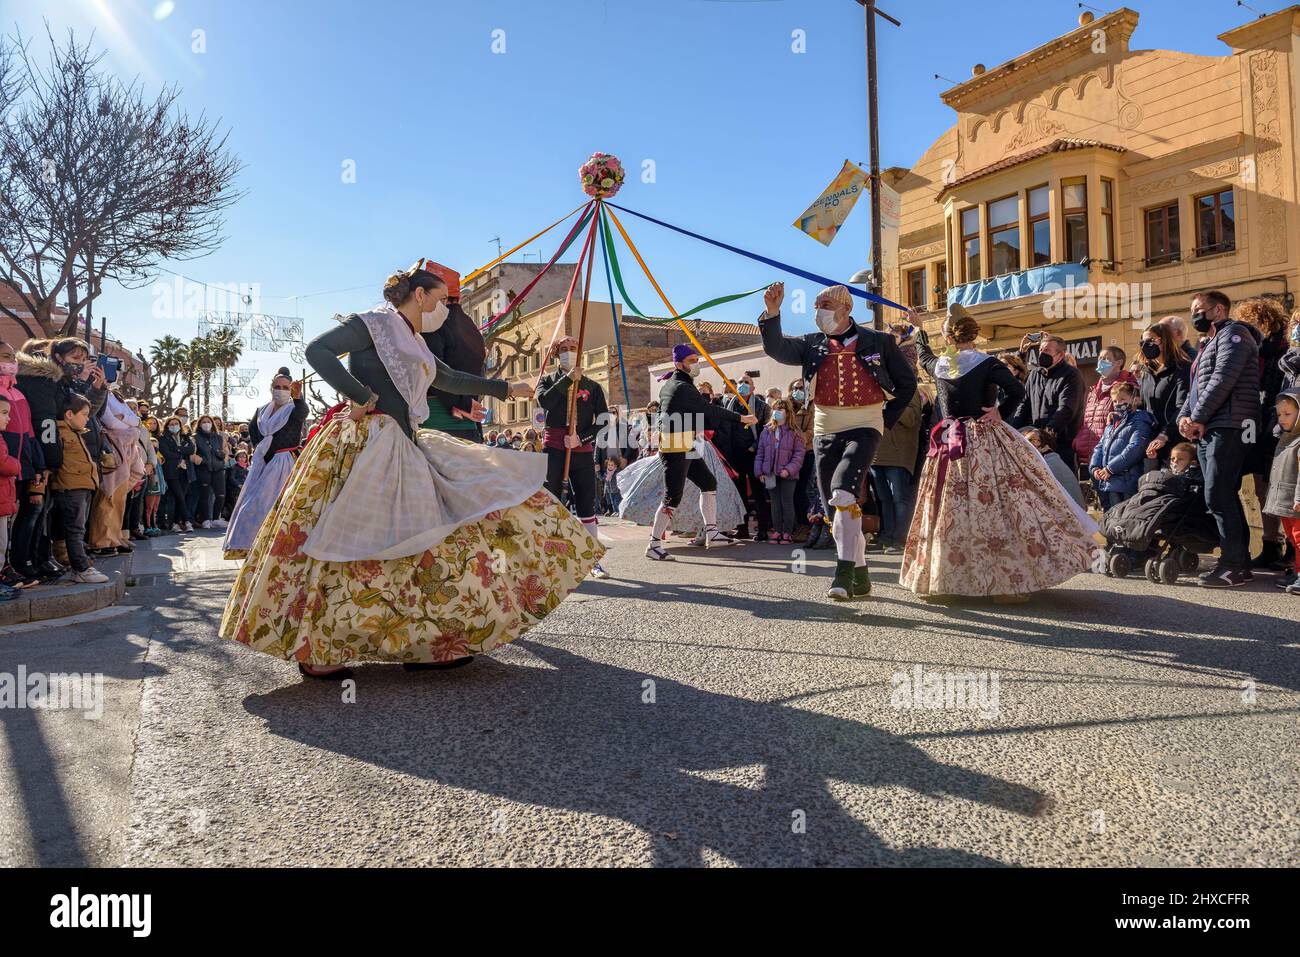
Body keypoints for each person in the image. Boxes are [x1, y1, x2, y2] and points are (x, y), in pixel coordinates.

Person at [220, 261, 598, 680]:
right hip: (367, 442)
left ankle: (425, 642)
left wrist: (507, 388)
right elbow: (317, 351)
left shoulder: (415, 339)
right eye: (439, 299)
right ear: (420, 295)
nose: (444, 308)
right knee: (352, 540)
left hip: (404, 441)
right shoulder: (374, 323)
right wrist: (360, 394)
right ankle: (321, 647)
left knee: (419, 540)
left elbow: (450, 379)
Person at [903, 308, 1096, 601]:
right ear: (973, 334)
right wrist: (999, 413)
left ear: (948, 337)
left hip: (949, 442)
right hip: (984, 439)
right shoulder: (988, 363)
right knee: (1001, 504)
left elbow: (924, 356)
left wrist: (918, 330)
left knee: (947, 508)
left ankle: (943, 579)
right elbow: (1017, 391)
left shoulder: (942, 364)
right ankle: (1007, 583)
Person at [758, 282, 917, 600]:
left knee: (845, 493)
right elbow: (776, 349)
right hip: (825, 428)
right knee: (837, 510)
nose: (819, 311)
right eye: (816, 305)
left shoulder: (880, 341)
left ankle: (842, 574)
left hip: (865, 425)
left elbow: (907, 384)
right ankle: (860, 572)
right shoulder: (811, 343)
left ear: (847, 309)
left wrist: (884, 419)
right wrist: (773, 313)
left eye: (826, 305)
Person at [1177, 289, 1261, 588]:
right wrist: (1185, 419)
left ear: (1218, 310)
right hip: (1210, 425)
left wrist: (1198, 417)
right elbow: (1195, 388)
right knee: (1222, 494)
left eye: (1199, 309)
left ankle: (1233, 565)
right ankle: (1239, 563)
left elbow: (1223, 378)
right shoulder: (1208, 343)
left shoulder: (1234, 334)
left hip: (1230, 425)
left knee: (1218, 494)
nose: (1195, 315)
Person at [646, 344, 756, 560]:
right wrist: (741, 418)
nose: (696, 365)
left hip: (683, 445)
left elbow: (670, 413)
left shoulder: (673, 384)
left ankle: (712, 532)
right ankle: (653, 544)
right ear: (679, 364)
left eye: (697, 360)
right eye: (691, 361)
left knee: (708, 483)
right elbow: (708, 409)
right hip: (675, 448)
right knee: (672, 498)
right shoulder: (681, 387)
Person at [537, 335, 611, 579]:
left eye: (573, 348)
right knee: (552, 503)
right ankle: (551, 558)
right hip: (554, 450)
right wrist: (567, 380)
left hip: (581, 451)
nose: (569, 352)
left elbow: (603, 421)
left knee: (587, 503)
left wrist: (582, 438)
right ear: (557, 354)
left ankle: (592, 560)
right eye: (564, 349)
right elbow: (544, 401)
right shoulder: (547, 381)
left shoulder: (592, 386)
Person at [222, 370, 308, 558]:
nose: (281, 390)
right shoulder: (261, 411)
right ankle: (253, 544)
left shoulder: (294, 408)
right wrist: (263, 451)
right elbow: (254, 432)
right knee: (254, 504)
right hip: (263, 462)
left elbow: (303, 413)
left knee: (278, 504)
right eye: (277, 387)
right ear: (271, 388)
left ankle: (282, 546)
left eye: (285, 387)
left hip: (285, 462)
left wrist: (299, 397)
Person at [1237, 297, 1290, 570]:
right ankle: (1270, 543)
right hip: (1258, 423)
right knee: (1261, 487)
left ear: (1266, 321)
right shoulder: (1254, 351)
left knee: (1283, 486)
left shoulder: (1284, 348)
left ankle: (1290, 547)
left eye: (1253, 322)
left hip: (1281, 422)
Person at [51, 395, 109, 584]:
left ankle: (80, 563)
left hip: (83, 484)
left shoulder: (75, 432)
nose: (87, 418)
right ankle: (81, 568)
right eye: (84, 414)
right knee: (74, 529)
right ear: (69, 414)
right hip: (70, 486)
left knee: (79, 528)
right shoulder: (60, 432)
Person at [1013, 332, 1085, 467]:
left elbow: (1066, 409)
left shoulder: (1071, 375)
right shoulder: (1034, 375)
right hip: (1034, 444)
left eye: (1047, 350)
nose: (1042, 353)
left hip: (1061, 444)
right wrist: (1013, 430)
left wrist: (1045, 434)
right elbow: (1024, 404)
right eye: (1040, 350)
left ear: (1060, 355)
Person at [88, 394, 146, 555]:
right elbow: (111, 422)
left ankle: (114, 536)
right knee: (108, 496)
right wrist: (128, 421)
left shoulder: (115, 395)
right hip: (112, 447)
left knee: (119, 499)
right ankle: (101, 540)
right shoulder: (102, 393)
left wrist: (126, 418)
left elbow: (137, 421)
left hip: (126, 447)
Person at [1088, 380, 1156, 510]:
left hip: (1128, 481)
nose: (1118, 404)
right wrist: (1095, 467)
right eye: (1114, 401)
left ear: (1135, 400)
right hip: (1110, 481)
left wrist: (1110, 468)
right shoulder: (1112, 423)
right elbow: (1100, 446)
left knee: (1126, 517)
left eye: (1122, 399)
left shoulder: (1140, 421)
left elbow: (1135, 448)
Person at [1135, 321, 1191, 471]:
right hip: (1150, 442)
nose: (1146, 345)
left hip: (1174, 441)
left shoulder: (1182, 367)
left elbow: (1183, 406)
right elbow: (1143, 405)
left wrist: (1165, 434)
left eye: (1151, 341)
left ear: (1164, 340)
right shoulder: (1146, 372)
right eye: (1143, 342)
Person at [721, 372, 770, 540]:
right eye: (740, 382)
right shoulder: (730, 404)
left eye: (746, 382)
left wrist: (754, 447)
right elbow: (726, 428)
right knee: (739, 492)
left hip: (754, 454)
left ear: (753, 387)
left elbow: (766, 431)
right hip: (735, 454)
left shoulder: (762, 406)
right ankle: (742, 528)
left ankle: (762, 529)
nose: (742, 384)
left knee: (758, 493)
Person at [1262, 389, 1300, 592]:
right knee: (1293, 539)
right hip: (1286, 501)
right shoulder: (1286, 438)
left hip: (1296, 501)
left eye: (1288, 414)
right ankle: (1296, 572)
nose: (1282, 419)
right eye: (1279, 415)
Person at [754, 397, 806, 544]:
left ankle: (787, 532)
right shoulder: (767, 431)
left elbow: (798, 455)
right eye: (775, 409)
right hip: (770, 473)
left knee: (787, 502)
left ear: (788, 412)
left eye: (781, 409)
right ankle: (777, 530)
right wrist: (760, 472)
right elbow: (760, 453)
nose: (777, 412)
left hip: (788, 474)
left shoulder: (795, 432)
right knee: (775, 503)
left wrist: (788, 470)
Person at [1074, 346, 1135, 469]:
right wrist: (1077, 442)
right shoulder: (1093, 391)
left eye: (1105, 358)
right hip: (1087, 458)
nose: (1101, 362)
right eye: (1100, 358)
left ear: (1119, 363)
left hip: (1111, 459)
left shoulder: (1128, 388)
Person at [1022, 427, 1085, 508]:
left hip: (1071, 511)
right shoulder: (1048, 458)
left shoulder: (1050, 462)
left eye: (1031, 440)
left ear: (1042, 443)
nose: (1026, 444)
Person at [787, 376, 816, 538]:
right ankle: (794, 525)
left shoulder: (813, 407)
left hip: (806, 453)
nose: (798, 391)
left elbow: (812, 431)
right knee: (791, 492)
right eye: (795, 388)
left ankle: (806, 526)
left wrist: (795, 440)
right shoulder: (786, 408)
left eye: (801, 388)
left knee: (803, 491)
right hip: (788, 455)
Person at [159, 415, 195, 532]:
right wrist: (180, 455)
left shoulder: (185, 437)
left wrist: (177, 449)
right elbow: (166, 453)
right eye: (172, 424)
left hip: (185, 471)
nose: (174, 426)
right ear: (167, 426)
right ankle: (187, 521)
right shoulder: (163, 438)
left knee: (181, 498)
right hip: (171, 472)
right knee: (179, 496)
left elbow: (191, 449)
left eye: (176, 424)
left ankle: (175, 523)